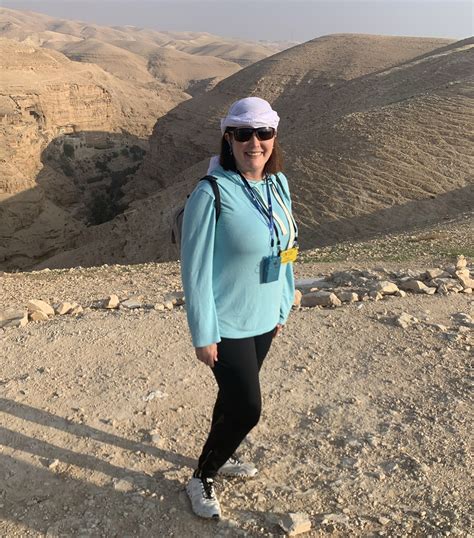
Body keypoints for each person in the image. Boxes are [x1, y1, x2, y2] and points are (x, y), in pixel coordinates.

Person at [180, 96, 298, 519]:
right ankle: (203, 475)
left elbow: (287, 250)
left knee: (231, 399)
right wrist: (203, 333)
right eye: (244, 134)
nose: (254, 143)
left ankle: (222, 453)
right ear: (228, 139)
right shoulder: (210, 193)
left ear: (274, 136)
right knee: (248, 408)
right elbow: (194, 270)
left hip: (264, 318)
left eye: (263, 133)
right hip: (226, 323)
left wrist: (282, 306)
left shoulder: (278, 185)